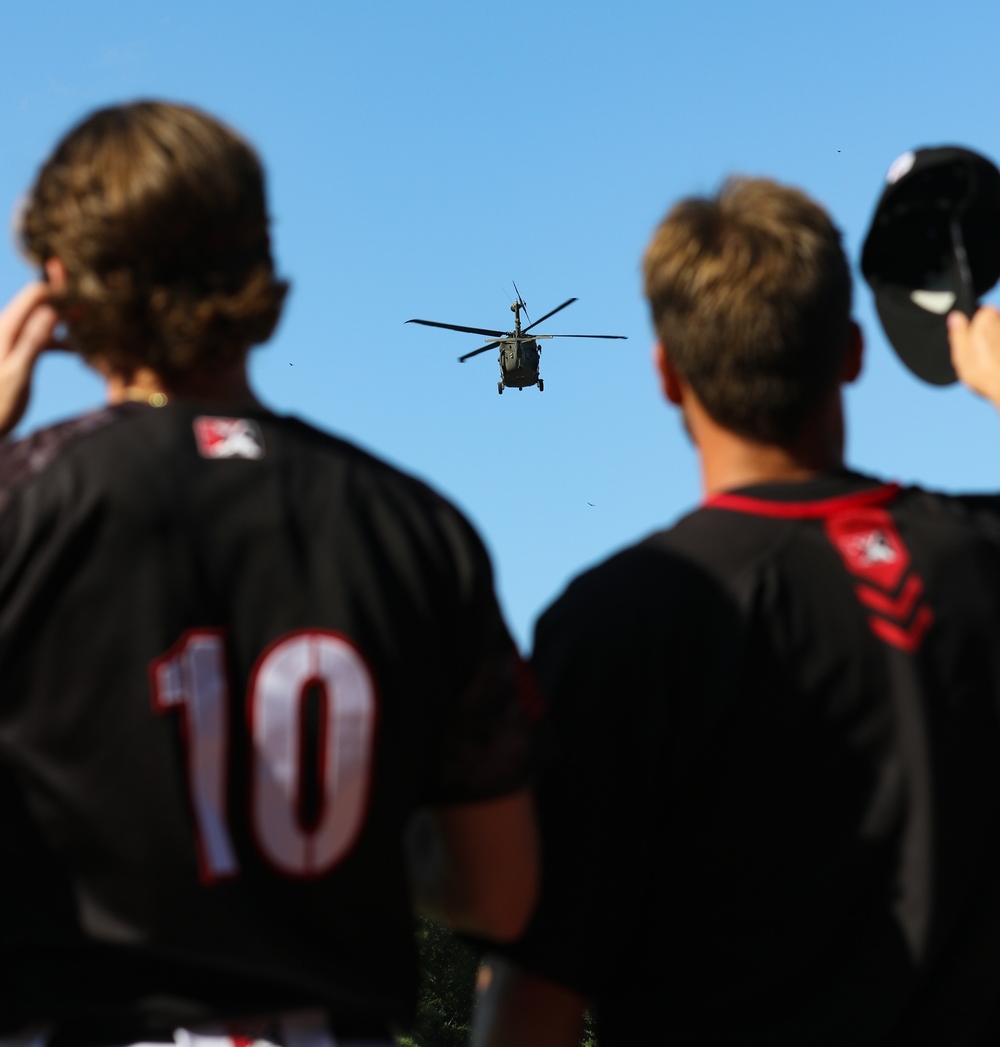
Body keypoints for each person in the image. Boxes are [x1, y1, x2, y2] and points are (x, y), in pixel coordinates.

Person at [0, 100, 538, 1047]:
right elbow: (500, 893)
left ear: (61, 289)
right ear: (256, 261)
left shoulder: (26, 498)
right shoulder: (419, 530)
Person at [474, 175, 1000, 1047]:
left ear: (667, 376)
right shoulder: (979, 558)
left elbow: (538, 994)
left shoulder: (617, 624)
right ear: (853, 355)